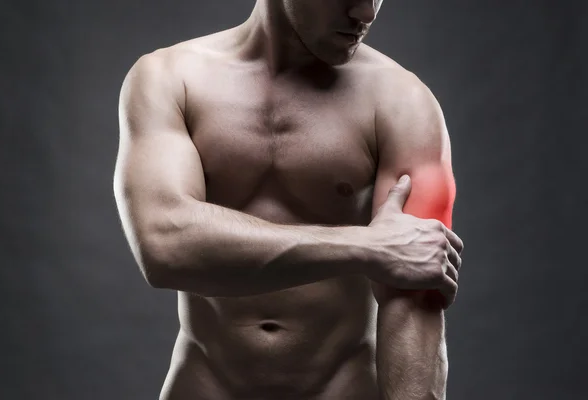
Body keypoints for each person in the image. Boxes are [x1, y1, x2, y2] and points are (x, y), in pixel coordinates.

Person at [113, 0, 464, 399]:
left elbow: (416, 288)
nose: (366, 13)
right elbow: (165, 246)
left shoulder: (406, 104)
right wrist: (367, 246)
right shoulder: (170, 79)